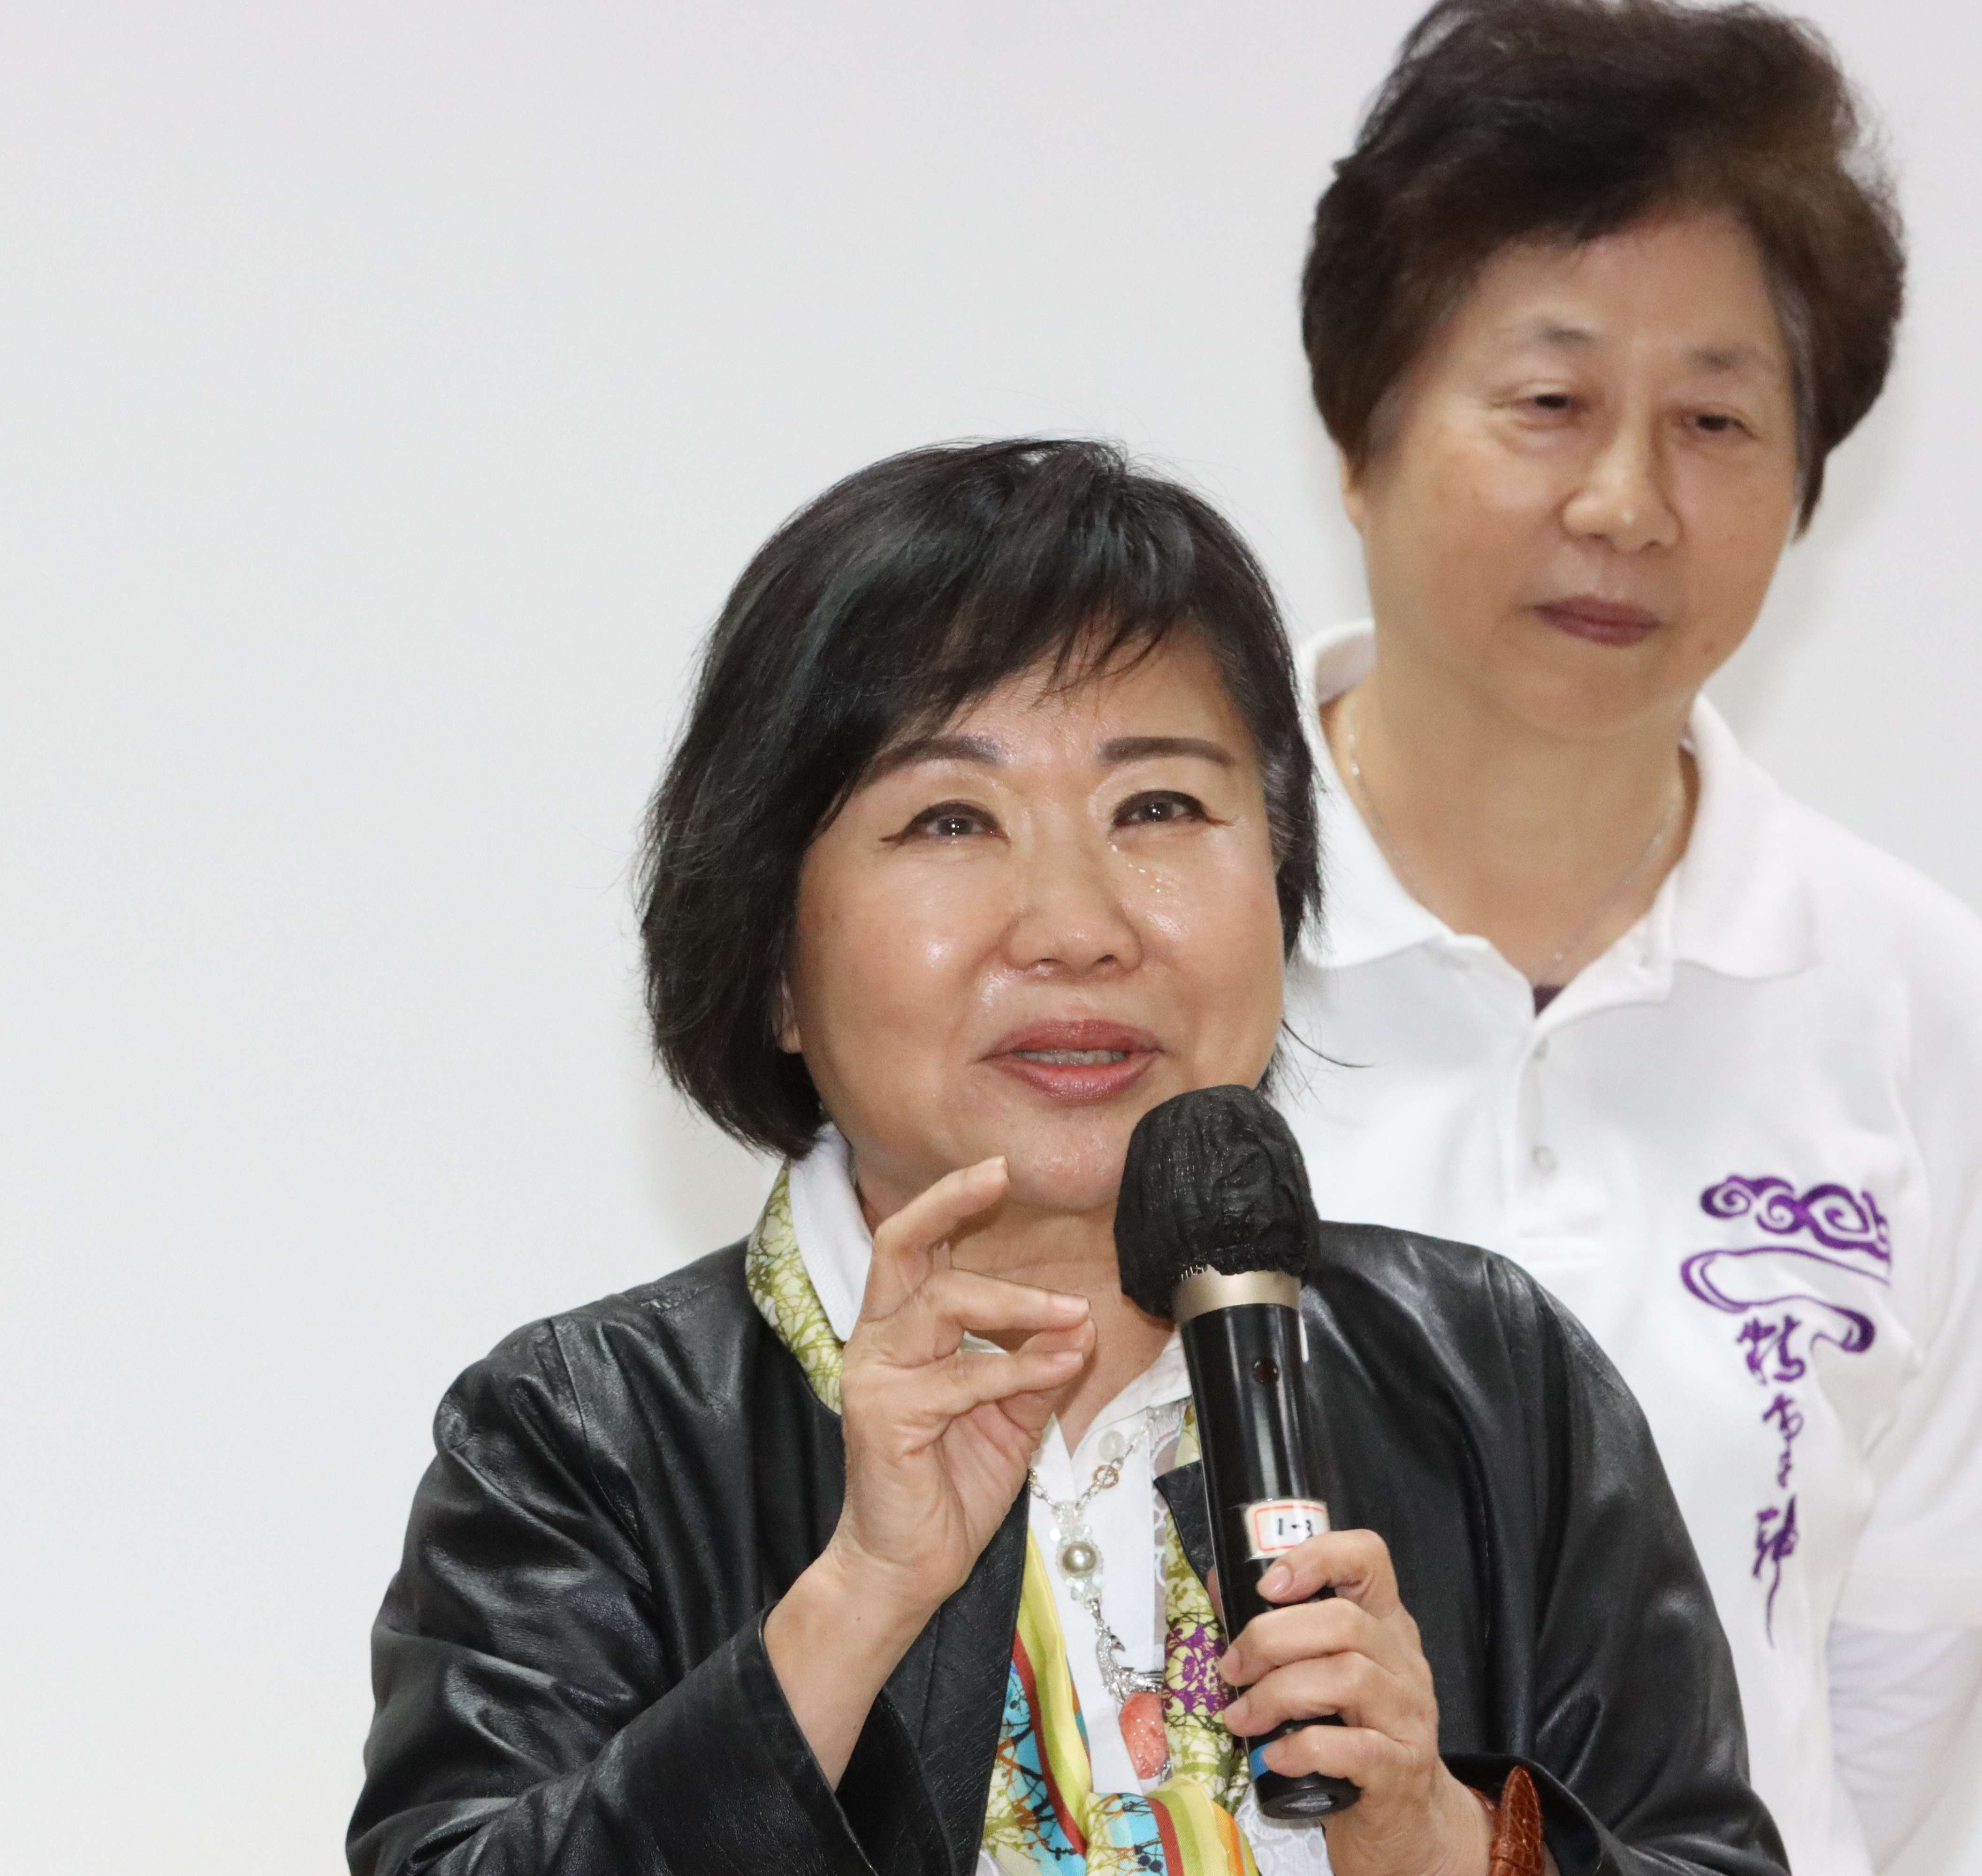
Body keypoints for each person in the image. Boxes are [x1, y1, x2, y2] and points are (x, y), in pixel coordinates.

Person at [349, 440, 1786, 1876]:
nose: (1080, 928)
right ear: (773, 960)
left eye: (1158, 809)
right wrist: (855, 1604)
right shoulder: (590, 1435)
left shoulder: (1486, 1377)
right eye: (951, 820)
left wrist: (1443, 1838)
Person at [1275, 5, 1982, 1874]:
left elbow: (1882, 1682)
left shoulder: (1921, 1005)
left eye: (1716, 422)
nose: (1626, 505)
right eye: (1550, 402)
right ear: (1359, 433)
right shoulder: (1155, 940)